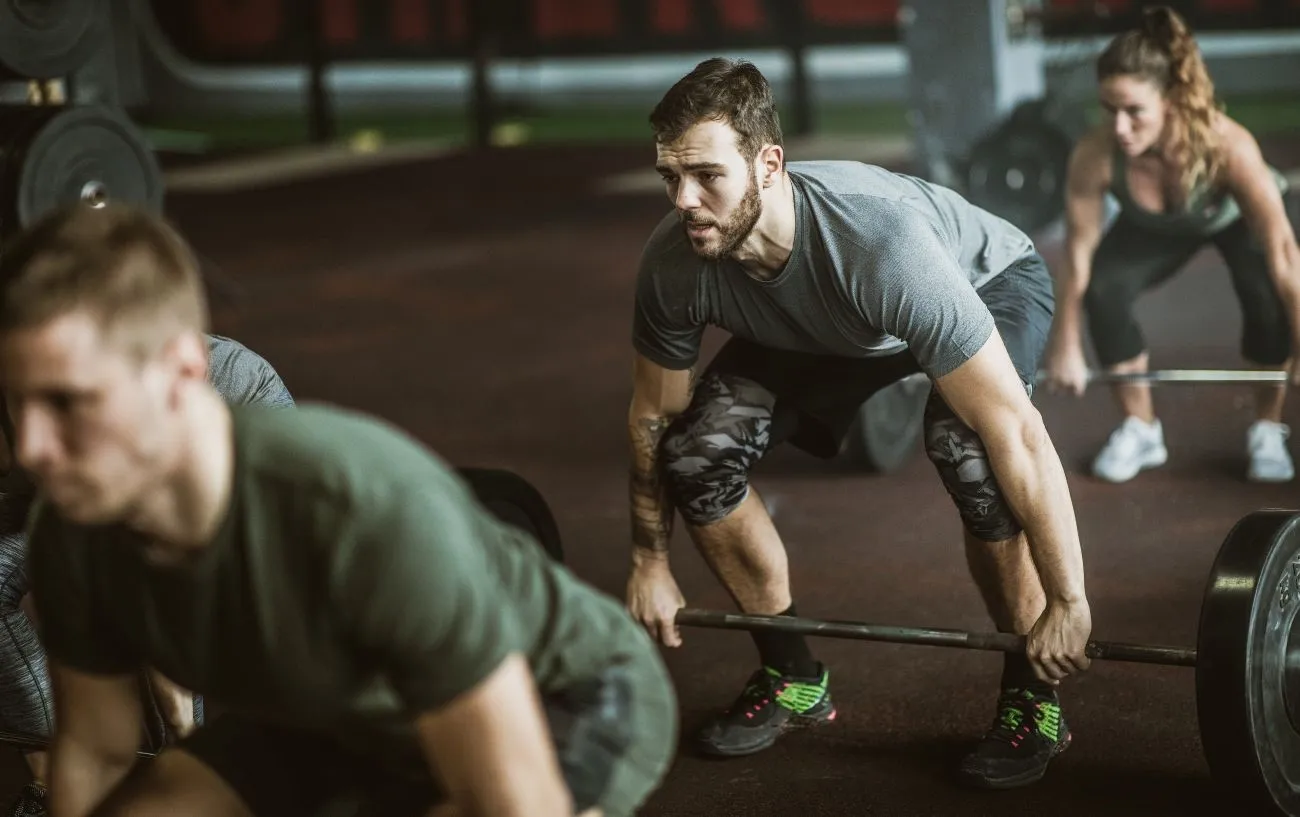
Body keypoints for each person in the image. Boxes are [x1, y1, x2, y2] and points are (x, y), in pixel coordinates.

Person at [0, 202, 677, 817]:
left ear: (181, 370)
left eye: (68, 402)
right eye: (16, 403)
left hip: (563, 691)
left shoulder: (361, 509)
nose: (30, 447)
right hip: (335, 708)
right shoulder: (73, 531)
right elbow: (95, 752)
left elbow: (515, 804)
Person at [623, 57, 1092, 789]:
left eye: (706, 175)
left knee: (967, 448)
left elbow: (1018, 436)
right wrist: (649, 561)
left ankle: (1033, 695)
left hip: (983, 283)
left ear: (768, 164)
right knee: (697, 453)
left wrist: (1070, 600)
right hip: (828, 326)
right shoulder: (677, 259)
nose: (684, 200)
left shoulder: (880, 244)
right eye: (669, 177)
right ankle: (793, 676)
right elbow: (655, 416)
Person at [0, 332, 295, 816]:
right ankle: (44, 773)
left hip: (221, 440)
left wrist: (182, 741)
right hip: (83, 470)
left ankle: (190, 768)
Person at [1042, 5, 1300, 484]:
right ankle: (1141, 428)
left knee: (1266, 294)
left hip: (1228, 220)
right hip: (1155, 228)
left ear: (1171, 102)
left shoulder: (1228, 146)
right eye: (1109, 109)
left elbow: (1285, 253)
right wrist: (1066, 342)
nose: (1119, 127)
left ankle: (1267, 427)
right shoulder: (1095, 155)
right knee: (1104, 288)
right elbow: (1078, 254)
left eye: (1134, 111)